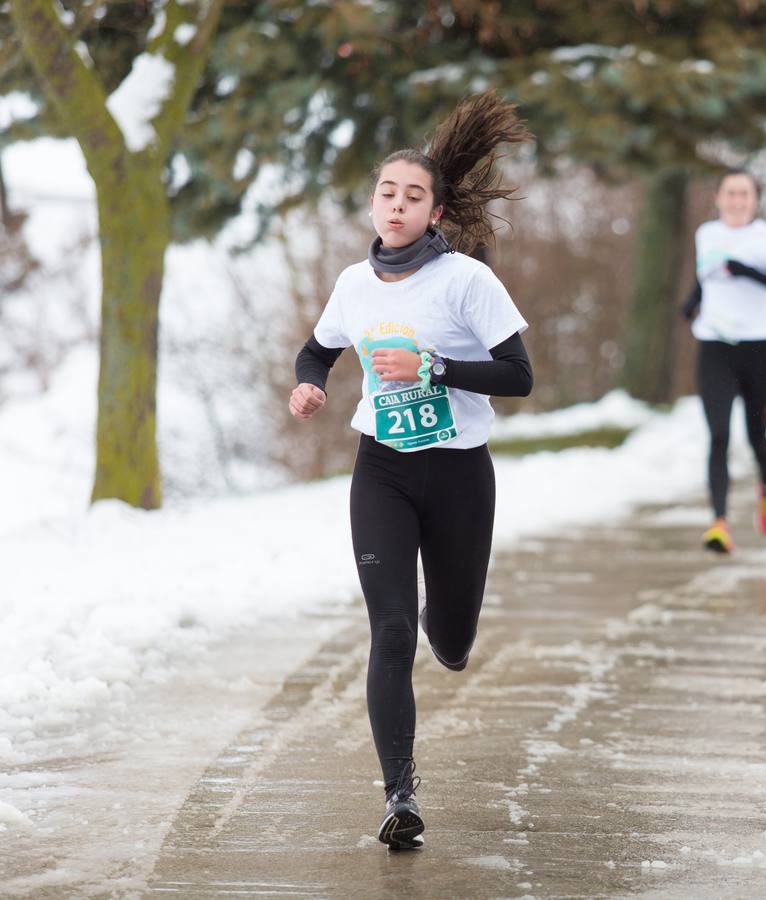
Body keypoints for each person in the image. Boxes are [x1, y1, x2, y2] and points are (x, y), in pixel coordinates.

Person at [289, 93, 533, 851]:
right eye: (387, 192)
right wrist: (311, 383)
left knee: (448, 638)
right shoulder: (354, 283)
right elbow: (317, 348)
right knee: (390, 631)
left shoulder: (465, 282)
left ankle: (449, 629)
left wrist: (432, 365)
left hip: (459, 477)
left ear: (434, 212)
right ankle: (400, 793)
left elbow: (518, 375)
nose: (396, 205)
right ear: (374, 203)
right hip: (383, 473)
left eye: (413, 195)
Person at [682, 168, 766, 554]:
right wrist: (692, 302)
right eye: (730, 193)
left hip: (760, 349)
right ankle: (719, 522)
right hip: (715, 347)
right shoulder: (707, 234)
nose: (737, 200)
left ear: (754, 200)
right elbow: (708, 276)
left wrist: (748, 270)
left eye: (744, 194)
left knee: (756, 437)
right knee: (719, 434)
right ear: (718, 198)